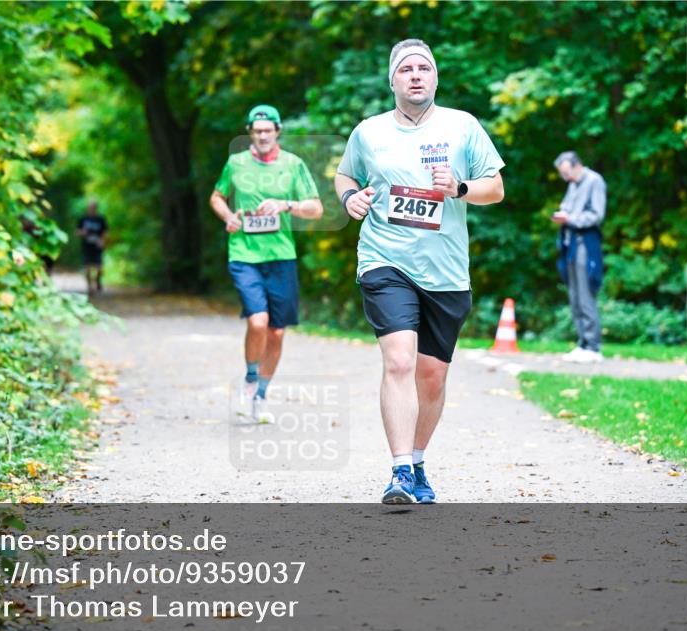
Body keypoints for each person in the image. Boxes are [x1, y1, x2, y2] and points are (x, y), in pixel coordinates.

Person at [334, 39, 505, 504]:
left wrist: (461, 187)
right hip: (384, 259)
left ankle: (418, 459)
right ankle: (400, 472)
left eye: (423, 68)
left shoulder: (462, 126)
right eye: (405, 69)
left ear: (435, 78)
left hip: (446, 271)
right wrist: (351, 199)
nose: (415, 75)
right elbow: (345, 175)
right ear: (392, 80)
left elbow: (496, 188)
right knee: (400, 361)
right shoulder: (368, 132)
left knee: (431, 376)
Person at [209, 104, 323, 421]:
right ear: (250, 133)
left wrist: (285, 205)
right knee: (257, 321)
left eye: (267, 131)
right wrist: (229, 216)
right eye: (257, 131)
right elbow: (217, 196)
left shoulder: (293, 164)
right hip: (245, 254)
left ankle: (260, 394)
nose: (262, 136)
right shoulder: (236, 163)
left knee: (277, 332)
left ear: (277, 131)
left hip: (281, 256)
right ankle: (249, 378)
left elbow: (316, 208)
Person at [551, 151, 606, 363]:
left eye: (566, 173)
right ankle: (583, 343)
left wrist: (570, 218)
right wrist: (562, 214)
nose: (566, 178)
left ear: (577, 165)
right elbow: (567, 206)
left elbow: (596, 215)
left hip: (586, 243)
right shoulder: (573, 183)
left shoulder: (594, 181)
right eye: (562, 175)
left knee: (585, 294)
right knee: (574, 296)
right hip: (570, 243)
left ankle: (593, 346)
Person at [77, 199, 108, 297]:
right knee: (88, 268)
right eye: (90, 207)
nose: (92, 209)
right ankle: (90, 287)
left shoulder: (100, 219)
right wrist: (82, 233)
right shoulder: (83, 219)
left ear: (96, 208)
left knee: (100, 268)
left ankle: (97, 280)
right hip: (86, 246)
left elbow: (105, 232)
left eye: (94, 207)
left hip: (97, 246)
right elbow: (77, 232)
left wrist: (102, 241)